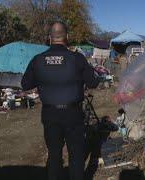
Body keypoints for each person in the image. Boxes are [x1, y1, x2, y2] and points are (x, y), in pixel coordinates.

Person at [21, 22, 99, 180]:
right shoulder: (77, 58)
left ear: (49, 38)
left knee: (54, 156)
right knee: (76, 156)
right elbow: (93, 82)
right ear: (67, 37)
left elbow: (25, 84)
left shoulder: (38, 60)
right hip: (73, 114)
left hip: (50, 115)